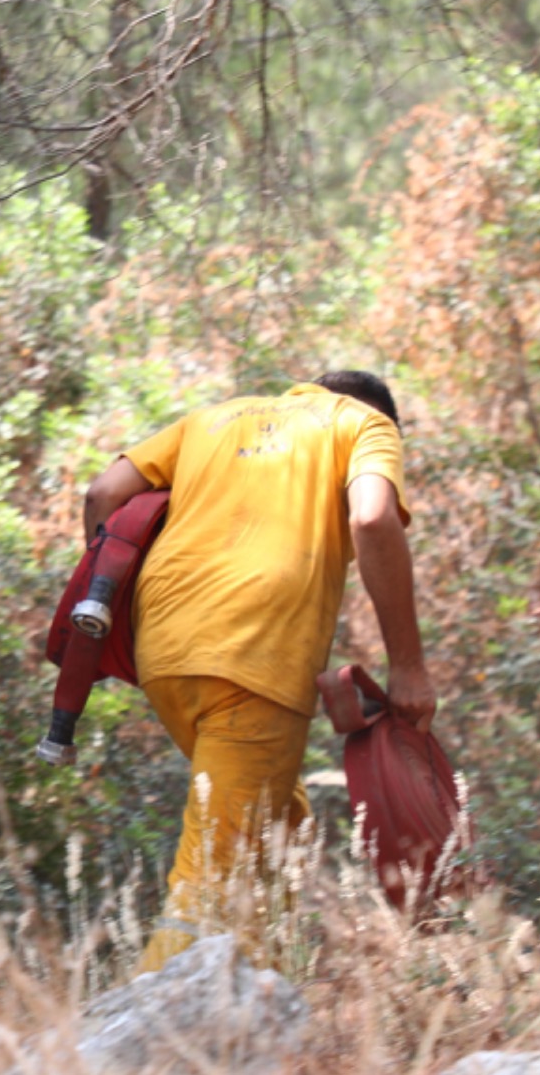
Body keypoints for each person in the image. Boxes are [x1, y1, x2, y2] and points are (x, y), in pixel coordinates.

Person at [81, 371, 435, 971]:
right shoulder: (362, 423)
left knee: (278, 827)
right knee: (213, 872)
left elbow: (102, 493)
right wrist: (408, 666)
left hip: (163, 645)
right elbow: (373, 520)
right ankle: (132, 1043)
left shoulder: (211, 420)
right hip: (254, 651)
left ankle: (263, 994)